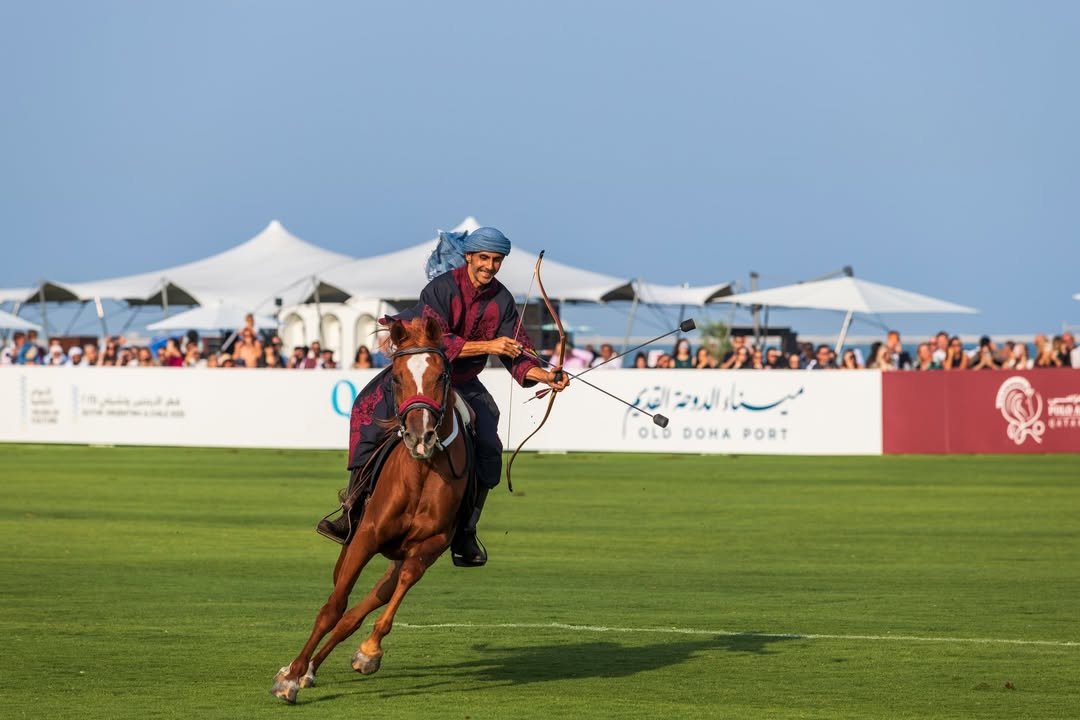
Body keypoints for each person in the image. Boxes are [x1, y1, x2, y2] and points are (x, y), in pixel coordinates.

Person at [318, 227, 569, 568]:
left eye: (497, 260)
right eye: (484, 258)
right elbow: (433, 342)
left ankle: (465, 530)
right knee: (366, 408)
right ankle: (352, 510)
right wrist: (488, 346)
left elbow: (517, 351)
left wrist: (547, 375)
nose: (490, 266)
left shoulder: (502, 300)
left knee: (490, 443)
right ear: (469, 257)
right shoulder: (441, 288)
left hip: (462, 382)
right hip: (422, 376)